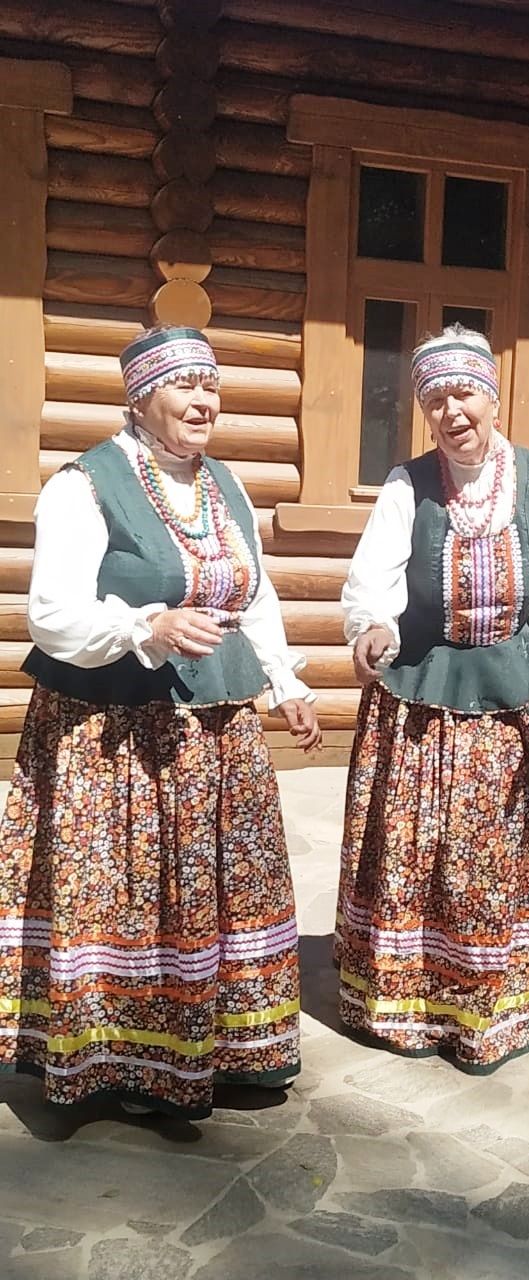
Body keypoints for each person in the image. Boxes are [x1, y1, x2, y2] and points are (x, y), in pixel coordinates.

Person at [0, 325, 320, 1119]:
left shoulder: (226, 487)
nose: (203, 400)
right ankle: (120, 1061)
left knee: (216, 892)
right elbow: (50, 614)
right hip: (114, 735)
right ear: (141, 398)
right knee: (129, 898)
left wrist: (283, 681)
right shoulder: (84, 484)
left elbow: (256, 594)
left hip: (216, 730)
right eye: (185, 386)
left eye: (211, 385)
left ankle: (224, 1050)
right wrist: (145, 627)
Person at [337, 325, 529, 1073]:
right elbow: (374, 580)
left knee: (497, 858)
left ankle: (501, 1001)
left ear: (491, 396)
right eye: (435, 399)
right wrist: (372, 628)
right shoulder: (407, 485)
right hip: (422, 699)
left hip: (512, 695)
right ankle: (412, 1001)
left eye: (464, 393)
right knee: (422, 854)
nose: (452, 411)